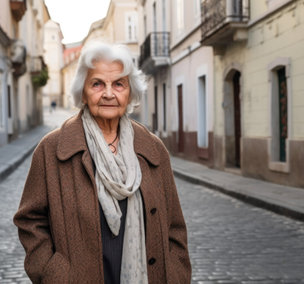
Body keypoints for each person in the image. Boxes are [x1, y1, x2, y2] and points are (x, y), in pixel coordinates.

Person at [14, 42, 191, 284]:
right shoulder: (52, 149)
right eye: (97, 84)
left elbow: (174, 226)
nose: (109, 93)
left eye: (119, 84)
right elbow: (30, 220)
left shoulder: (153, 149)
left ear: (130, 92)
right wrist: (54, 273)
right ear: (83, 91)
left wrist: (176, 272)